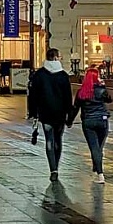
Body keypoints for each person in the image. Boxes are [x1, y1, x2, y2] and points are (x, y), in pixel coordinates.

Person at [27, 49, 74, 182]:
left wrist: (33, 112)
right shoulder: (63, 75)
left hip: (45, 112)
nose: (61, 58)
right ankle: (56, 166)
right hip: (60, 113)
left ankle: (53, 169)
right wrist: (69, 115)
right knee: (58, 139)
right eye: (60, 56)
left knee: (49, 140)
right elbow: (68, 97)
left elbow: (33, 95)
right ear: (55, 58)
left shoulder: (39, 74)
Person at [73, 67, 113, 184]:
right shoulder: (101, 90)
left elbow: (75, 108)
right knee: (99, 147)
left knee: (94, 147)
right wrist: (103, 87)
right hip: (102, 120)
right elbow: (109, 100)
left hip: (88, 121)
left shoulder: (81, 92)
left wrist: (69, 121)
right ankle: (97, 170)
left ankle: (99, 173)